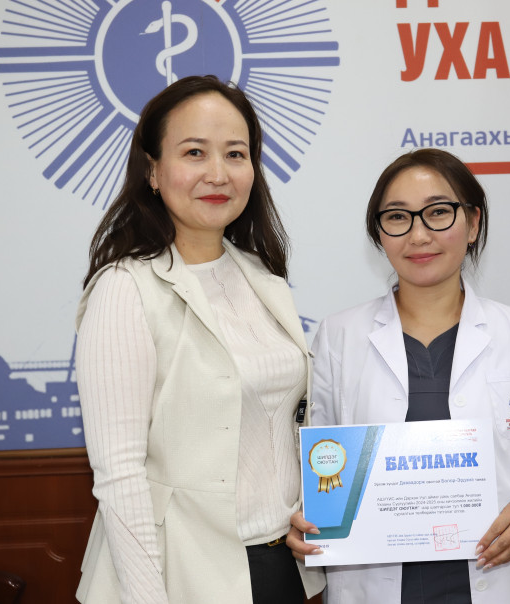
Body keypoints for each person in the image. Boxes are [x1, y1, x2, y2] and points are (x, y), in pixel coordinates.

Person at [287, 149, 510, 603]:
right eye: (397, 217)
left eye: (437, 213)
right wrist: (306, 516)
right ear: (379, 233)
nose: (418, 235)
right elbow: (317, 459)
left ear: (473, 223)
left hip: (498, 576)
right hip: (374, 583)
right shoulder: (340, 336)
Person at [74, 75, 325, 604]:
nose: (218, 174)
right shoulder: (124, 288)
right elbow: (119, 475)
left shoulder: (263, 277)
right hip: (180, 579)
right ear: (152, 170)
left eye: (235, 154)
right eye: (194, 152)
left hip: (281, 568)